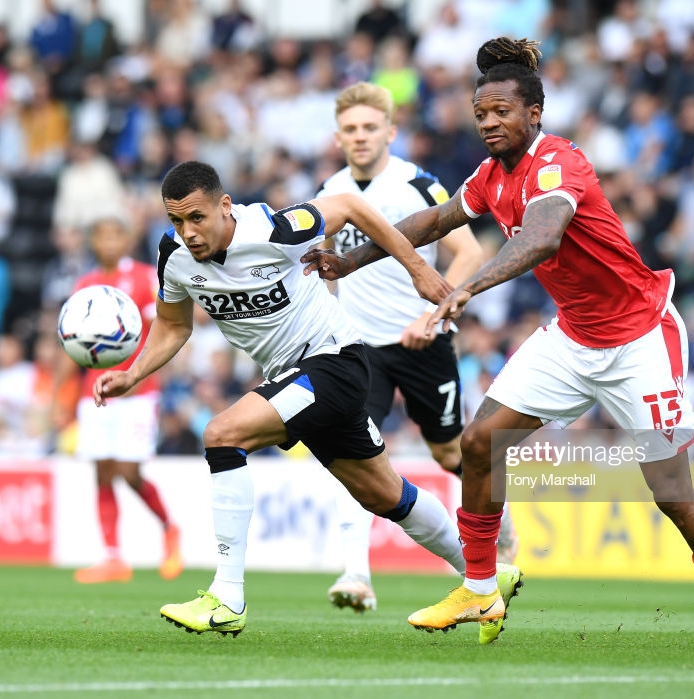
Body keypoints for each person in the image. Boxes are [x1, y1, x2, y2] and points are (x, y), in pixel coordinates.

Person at [302, 37, 694, 652]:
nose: (489, 123)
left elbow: (544, 239)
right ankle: (479, 587)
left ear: (534, 114)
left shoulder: (558, 163)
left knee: (673, 495)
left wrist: (465, 287)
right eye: (481, 115)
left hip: (640, 339)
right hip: (574, 336)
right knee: (478, 442)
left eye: (501, 112)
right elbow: (431, 223)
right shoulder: (491, 176)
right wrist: (350, 261)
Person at [92, 160, 522, 642]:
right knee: (383, 494)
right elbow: (174, 326)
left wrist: (419, 269)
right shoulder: (173, 255)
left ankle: (227, 596)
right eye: (176, 221)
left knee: (222, 435)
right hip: (297, 378)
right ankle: (486, 575)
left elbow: (352, 206)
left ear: (225, 207)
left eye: (197, 218)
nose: (187, 232)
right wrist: (131, 374)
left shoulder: (272, 229)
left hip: (335, 361)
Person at [317, 81, 517, 614]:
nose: (360, 137)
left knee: (450, 452)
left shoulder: (418, 185)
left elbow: (469, 252)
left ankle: (504, 529)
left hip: (421, 341)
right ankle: (356, 574)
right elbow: (327, 271)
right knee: (350, 451)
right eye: (351, 130)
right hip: (360, 349)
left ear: (390, 131)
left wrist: (432, 316)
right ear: (338, 137)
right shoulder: (331, 193)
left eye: (369, 127)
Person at [71, 216, 182, 584]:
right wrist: (62, 394)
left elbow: (164, 329)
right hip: (96, 390)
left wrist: (147, 376)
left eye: (115, 234)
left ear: (126, 239)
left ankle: (169, 528)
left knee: (129, 472)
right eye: (101, 234)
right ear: (94, 241)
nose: (108, 242)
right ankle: (112, 557)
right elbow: (69, 341)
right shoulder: (85, 284)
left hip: (138, 392)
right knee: (102, 472)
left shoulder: (144, 277)